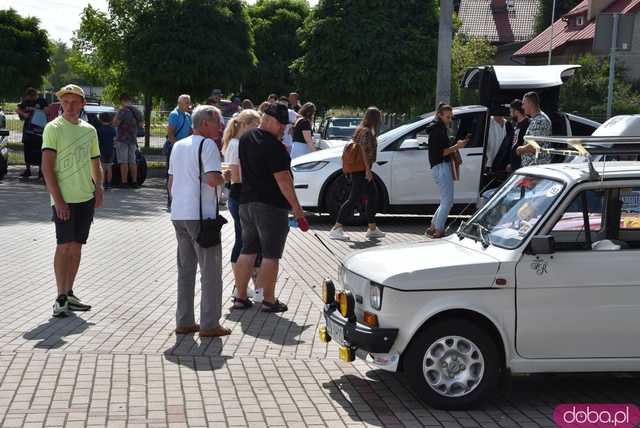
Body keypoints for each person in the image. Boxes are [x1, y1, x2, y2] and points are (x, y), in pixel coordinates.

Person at [233, 102, 309, 312]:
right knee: (271, 254)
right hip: (270, 206)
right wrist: (298, 210)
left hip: (246, 203)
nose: (284, 129)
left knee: (247, 249)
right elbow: (284, 180)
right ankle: (268, 299)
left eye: (286, 125)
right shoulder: (275, 147)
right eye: (281, 124)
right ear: (266, 119)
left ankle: (240, 297)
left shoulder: (246, 139)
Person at [168, 105, 231, 337]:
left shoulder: (178, 146)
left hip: (179, 213)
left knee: (185, 270)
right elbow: (212, 179)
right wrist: (226, 176)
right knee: (211, 271)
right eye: (217, 122)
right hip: (201, 215)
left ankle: (184, 321)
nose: (220, 126)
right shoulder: (208, 146)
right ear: (205, 123)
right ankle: (210, 324)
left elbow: (171, 183)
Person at [41, 84, 103, 317]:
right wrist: (58, 201)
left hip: (85, 197)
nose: (70, 106)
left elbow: (96, 163)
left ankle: (69, 292)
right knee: (63, 245)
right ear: (61, 104)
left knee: (76, 246)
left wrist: (99, 188)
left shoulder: (89, 130)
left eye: (74, 101)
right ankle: (59, 297)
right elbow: (47, 168)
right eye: (65, 102)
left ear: (82, 103)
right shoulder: (53, 128)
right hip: (63, 199)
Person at [221, 110, 262, 298]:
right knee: (243, 240)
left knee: (246, 240)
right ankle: (239, 286)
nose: (257, 131)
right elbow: (236, 177)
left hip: (237, 196)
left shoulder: (234, 143)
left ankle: (246, 284)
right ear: (245, 125)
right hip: (240, 195)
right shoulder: (237, 144)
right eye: (255, 126)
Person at [329, 107, 386, 241]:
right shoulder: (366, 132)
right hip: (361, 170)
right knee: (353, 198)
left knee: (372, 195)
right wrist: (367, 170)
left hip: (359, 169)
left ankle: (372, 228)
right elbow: (364, 152)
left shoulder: (361, 129)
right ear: (375, 118)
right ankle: (337, 228)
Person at [426, 103, 468, 238]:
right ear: (439, 115)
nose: (450, 120)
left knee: (445, 200)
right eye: (448, 117)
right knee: (448, 201)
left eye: (451, 117)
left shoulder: (435, 128)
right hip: (441, 166)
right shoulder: (438, 130)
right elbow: (442, 152)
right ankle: (439, 229)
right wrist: (457, 146)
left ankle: (433, 226)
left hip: (437, 167)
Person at [17, 88, 49, 179]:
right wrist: (23, 114)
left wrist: (35, 110)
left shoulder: (42, 101)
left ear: (35, 95)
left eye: (32, 96)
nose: (30, 99)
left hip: (39, 131)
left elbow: (47, 111)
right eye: (29, 97)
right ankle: (28, 170)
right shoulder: (26, 101)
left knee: (40, 150)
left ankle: (41, 171)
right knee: (27, 149)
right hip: (28, 130)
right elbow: (18, 109)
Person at [113, 93, 143, 188]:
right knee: (133, 161)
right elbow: (141, 124)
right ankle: (134, 182)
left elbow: (115, 124)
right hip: (133, 139)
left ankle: (124, 182)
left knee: (123, 161)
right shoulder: (137, 111)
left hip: (122, 139)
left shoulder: (122, 111)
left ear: (122, 101)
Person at [516, 91, 552, 166]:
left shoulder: (540, 121)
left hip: (536, 167)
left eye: (523, 104)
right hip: (533, 167)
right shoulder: (536, 119)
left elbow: (534, 146)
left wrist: (520, 149)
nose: (522, 107)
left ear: (530, 104)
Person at [506, 99, 530, 173]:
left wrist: (517, 165)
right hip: (513, 165)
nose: (510, 114)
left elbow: (525, 146)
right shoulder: (515, 125)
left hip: (522, 166)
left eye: (511, 111)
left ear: (516, 112)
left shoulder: (528, 124)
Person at [96, 112, 116, 189]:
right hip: (110, 150)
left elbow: (97, 141)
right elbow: (114, 140)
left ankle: (103, 183)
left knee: (103, 168)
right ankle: (109, 183)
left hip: (102, 150)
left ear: (100, 119)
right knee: (109, 167)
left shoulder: (99, 130)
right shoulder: (112, 129)